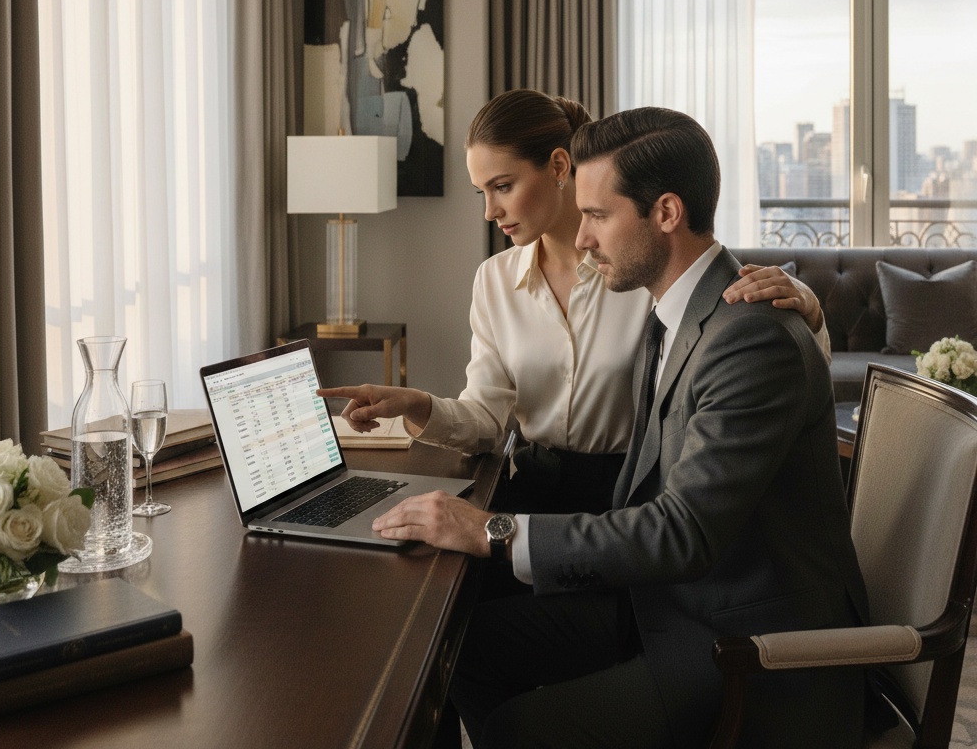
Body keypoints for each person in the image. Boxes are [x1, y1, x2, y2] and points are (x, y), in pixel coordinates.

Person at [367, 107, 868, 749]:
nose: (582, 238)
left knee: (520, 727)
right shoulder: (672, 317)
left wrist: (490, 529)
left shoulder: (746, 333)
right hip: (661, 597)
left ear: (664, 213)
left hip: (735, 645)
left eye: (598, 217)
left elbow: (682, 531)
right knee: (459, 646)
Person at [321, 89, 830, 516]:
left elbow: (752, 358)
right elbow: (486, 420)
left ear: (559, 165)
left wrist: (808, 309)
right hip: (529, 490)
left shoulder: (646, 266)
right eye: (481, 191)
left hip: (632, 497)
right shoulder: (495, 280)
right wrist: (417, 405)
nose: (489, 211)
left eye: (502, 186)